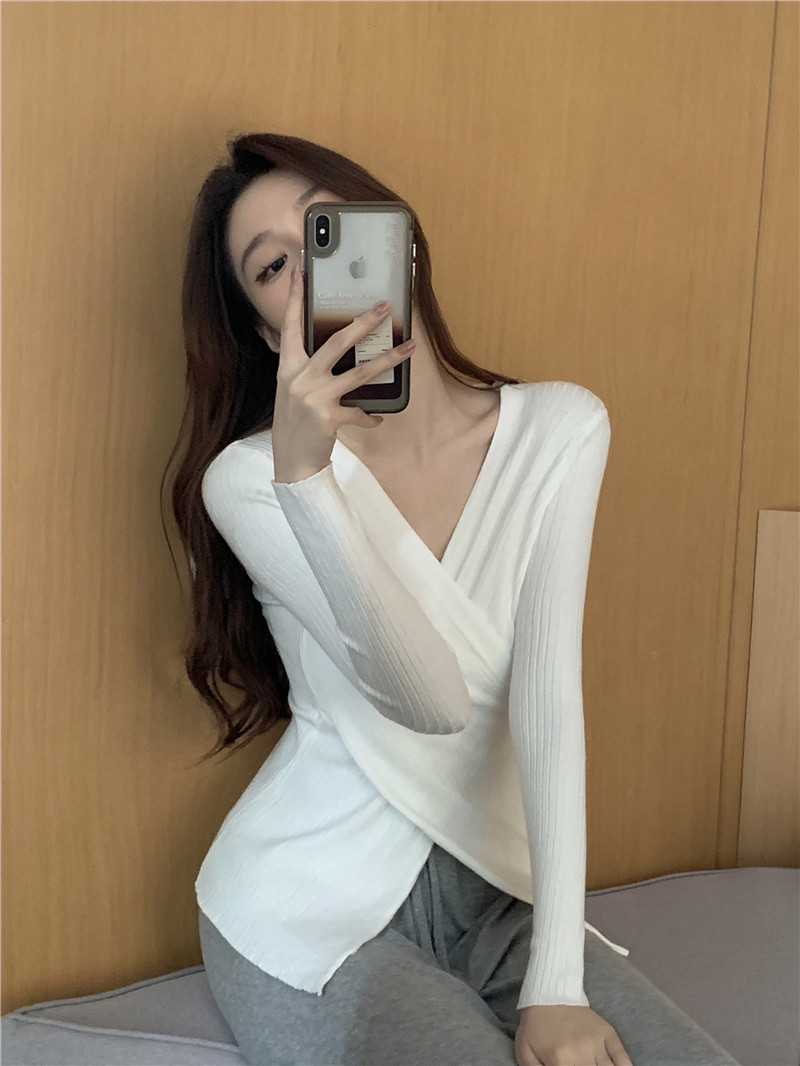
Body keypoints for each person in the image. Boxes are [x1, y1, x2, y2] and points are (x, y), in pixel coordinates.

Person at [164, 132, 740, 1066]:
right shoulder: (251, 481)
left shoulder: (560, 429)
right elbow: (429, 701)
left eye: (329, 231)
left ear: (401, 245)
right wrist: (308, 482)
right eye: (274, 267)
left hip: (498, 890)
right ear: (267, 334)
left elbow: (547, 702)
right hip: (312, 904)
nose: (313, 274)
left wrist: (558, 985)